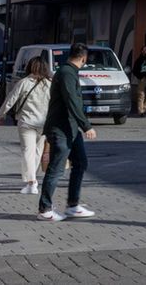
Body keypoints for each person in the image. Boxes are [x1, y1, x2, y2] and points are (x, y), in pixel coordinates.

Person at [38, 43, 97, 222]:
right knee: (56, 168)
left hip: (71, 128)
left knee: (80, 162)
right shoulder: (66, 73)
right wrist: (86, 125)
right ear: (83, 58)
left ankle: (73, 205)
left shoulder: (69, 72)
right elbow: (72, 100)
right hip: (60, 128)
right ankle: (45, 209)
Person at [0, 56, 53, 195]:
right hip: (44, 123)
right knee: (37, 152)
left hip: (27, 122)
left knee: (28, 151)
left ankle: (31, 182)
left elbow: (11, 98)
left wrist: (1, 114)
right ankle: (32, 181)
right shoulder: (50, 83)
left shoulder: (24, 82)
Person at [131, 46, 146, 117]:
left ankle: (144, 109)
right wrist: (140, 77)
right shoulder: (139, 60)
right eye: (145, 50)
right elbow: (134, 70)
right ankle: (140, 111)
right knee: (141, 95)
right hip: (142, 79)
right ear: (142, 51)